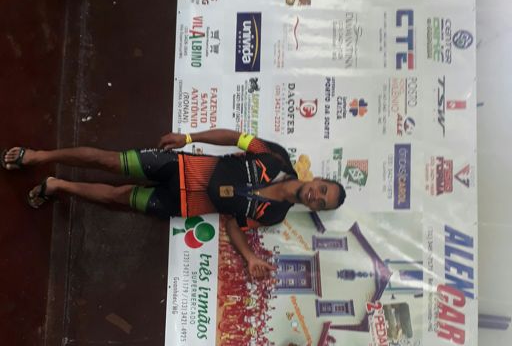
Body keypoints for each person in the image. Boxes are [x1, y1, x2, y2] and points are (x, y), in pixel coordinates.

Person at [1, 129, 346, 278]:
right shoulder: (276, 157)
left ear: (315, 210)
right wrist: (189, 137)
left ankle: (58, 184)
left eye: (321, 203)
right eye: (322, 189)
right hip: (177, 166)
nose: (316, 196)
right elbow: (233, 137)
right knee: (109, 161)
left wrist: (250, 256)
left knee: (119, 196)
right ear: (318, 179)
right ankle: (39, 156)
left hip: (178, 204)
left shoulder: (275, 215)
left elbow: (233, 225)